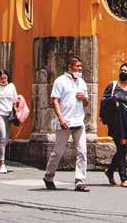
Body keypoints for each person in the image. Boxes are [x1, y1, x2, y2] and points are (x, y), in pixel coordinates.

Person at [43, 55, 90, 192]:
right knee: (58, 152)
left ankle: (80, 182)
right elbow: (55, 100)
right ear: (70, 67)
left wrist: (84, 98)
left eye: (81, 66)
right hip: (65, 122)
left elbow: (86, 103)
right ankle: (48, 176)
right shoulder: (60, 81)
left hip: (79, 122)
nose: (80, 68)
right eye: (77, 66)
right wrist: (61, 118)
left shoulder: (82, 82)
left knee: (82, 152)